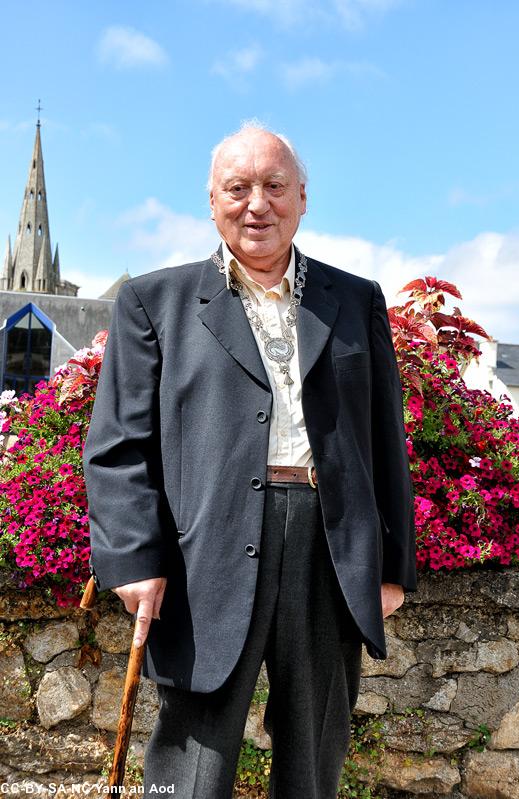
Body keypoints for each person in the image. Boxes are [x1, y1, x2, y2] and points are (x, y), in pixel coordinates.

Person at [83, 123, 416, 798]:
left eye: (273, 186)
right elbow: (119, 445)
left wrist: (389, 563)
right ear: (211, 201)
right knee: (193, 763)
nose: (255, 203)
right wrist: (134, 560)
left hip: (328, 546)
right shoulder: (154, 302)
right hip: (203, 554)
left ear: (301, 198)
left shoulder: (355, 301)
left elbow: (382, 438)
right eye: (238, 188)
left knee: (313, 756)